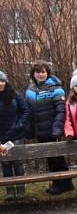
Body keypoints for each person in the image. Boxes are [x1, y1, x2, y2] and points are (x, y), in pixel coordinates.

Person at [26, 60, 73, 194]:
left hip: (53, 130)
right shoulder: (30, 90)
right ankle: (56, 183)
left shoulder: (56, 88)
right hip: (40, 131)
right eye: (38, 72)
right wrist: (29, 130)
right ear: (33, 74)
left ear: (47, 73)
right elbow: (28, 111)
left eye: (43, 72)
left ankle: (65, 183)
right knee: (49, 158)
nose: (40, 75)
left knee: (58, 158)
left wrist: (57, 129)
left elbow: (60, 110)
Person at [0, 70, 30, 200]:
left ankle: (21, 189)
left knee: (18, 162)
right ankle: (10, 192)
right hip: (1, 137)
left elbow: (25, 112)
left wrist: (19, 126)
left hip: (16, 135)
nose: (0, 83)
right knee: (6, 163)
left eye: (2, 81)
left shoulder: (15, 95)